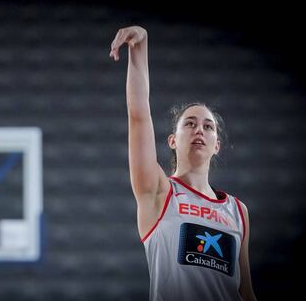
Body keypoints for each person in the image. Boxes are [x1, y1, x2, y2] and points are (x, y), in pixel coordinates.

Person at [109, 26, 257, 301]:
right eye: (189, 123)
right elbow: (138, 114)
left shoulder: (238, 211)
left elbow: (245, 291)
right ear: (173, 141)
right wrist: (140, 47)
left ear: (217, 145)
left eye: (208, 126)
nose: (199, 130)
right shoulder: (158, 192)